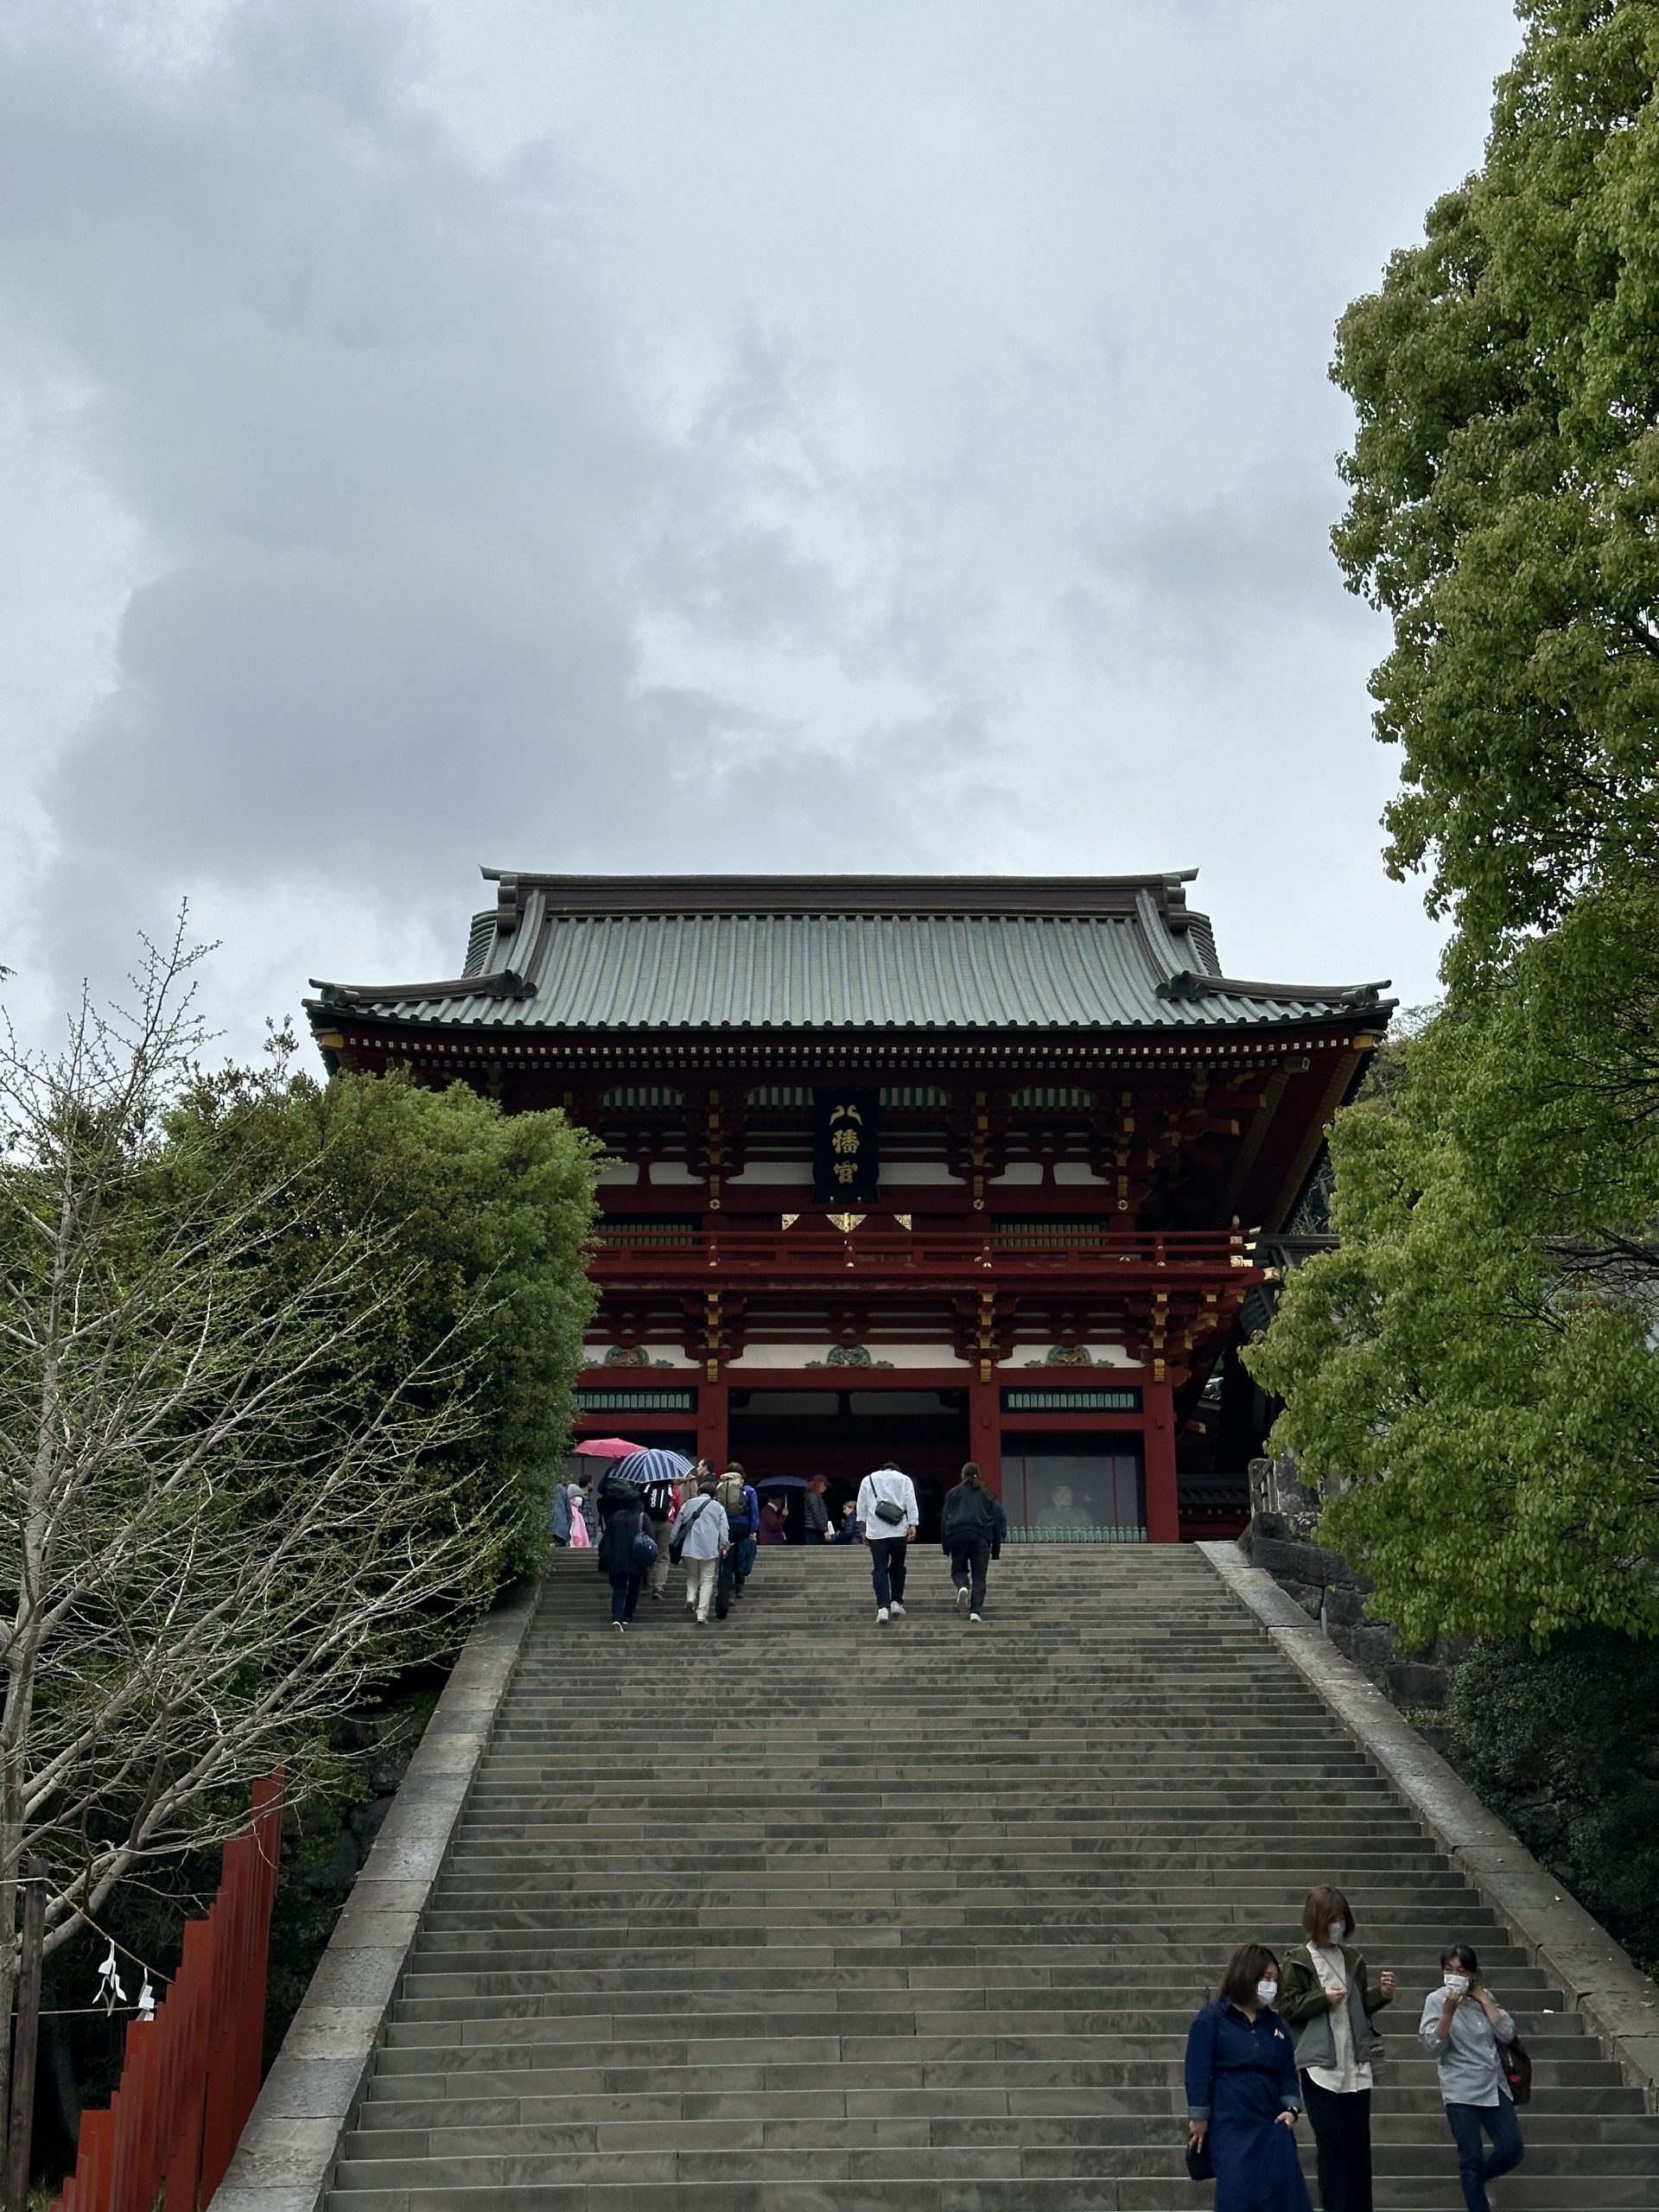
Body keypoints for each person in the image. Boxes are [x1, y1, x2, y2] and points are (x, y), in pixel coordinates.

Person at [1278, 1885, 1395, 2212]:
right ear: (1317, 1920)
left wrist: (1382, 1995)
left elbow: (1358, 2007)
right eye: (1332, 1919)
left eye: (1342, 1919)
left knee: (1359, 2145)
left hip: (1355, 2062)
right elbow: (1287, 2007)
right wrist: (1322, 1999)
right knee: (1332, 2145)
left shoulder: (1353, 1959)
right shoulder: (1298, 1961)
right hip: (1320, 2066)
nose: (1338, 1926)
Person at [1185, 1943, 1310, 2212]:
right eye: (1266, 1978)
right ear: (1246, 1974)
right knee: (1237, 2191)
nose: (1271, 1985)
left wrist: (1291, 2109)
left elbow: (1287, 2068)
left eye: (1275, 1980)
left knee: (1281, 2192)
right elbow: (1197, 2068)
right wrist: (1199, 2117)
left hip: (1270, 2118)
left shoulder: (1275, 2025)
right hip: (1230, 2117)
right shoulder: (1212, 2018)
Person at [1419, 1944, 1524, 2212]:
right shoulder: (1436, 1999)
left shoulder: (1483, 1997)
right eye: (1448, 1969)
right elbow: (1433, 2046)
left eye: (1461, 1971)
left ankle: (1483, 2176)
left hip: (1493, 2084)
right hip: (1460, 2089)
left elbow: (1508, 2033)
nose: (1454, 1976)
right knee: (1470, 2157)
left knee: (1512, 2148)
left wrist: (1485, 2000)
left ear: (1472, 1974)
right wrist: (1448, 2013)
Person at [939, 1461, 1006, 1621]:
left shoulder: (953, 1493)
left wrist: (945, 1545)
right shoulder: (987, 1494)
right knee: (979, 1576)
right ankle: (975, 1611)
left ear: (962, 1476)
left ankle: (962, 1586)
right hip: (981, 1537)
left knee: (958, 1570)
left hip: (958, 1535)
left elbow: (944, 1519)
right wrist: (996, 1549)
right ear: (979, 1475)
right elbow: (997, 1519)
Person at [855, 1459, 918, 1624]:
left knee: (879, 1569)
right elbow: (911, 1503)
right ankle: (896, 1601)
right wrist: (912, 1524)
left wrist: (862, 1530)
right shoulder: (904, 1479)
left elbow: (861, 1507)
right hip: (899, 1530)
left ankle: (883, 1607)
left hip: (876, 1532)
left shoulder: (867, 1480)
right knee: (898, 1566)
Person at [670, 1470, 729, 1624]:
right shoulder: (718, 1507)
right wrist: (724, 1546)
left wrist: (673, 1541)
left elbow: (677, 1525)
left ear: (699, 1491)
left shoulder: (688, 1504)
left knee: (692, 1575)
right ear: (713, 1493)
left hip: (689, 1546)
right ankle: (702, 1614)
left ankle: (690, 1597)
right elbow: (724, 1529)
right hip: (709, 1548)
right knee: (707, 1580)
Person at [597, 1494, 652, 1632]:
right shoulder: (642, 1518)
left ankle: (617, 1618)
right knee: (634, 1587)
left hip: (617, 1558)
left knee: (619, 1588)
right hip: (636, 1558)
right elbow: (650, 1537)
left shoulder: (615, 1517)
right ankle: (627, 1616)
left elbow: (606, 1539)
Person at [715, 1464, 760, 1616]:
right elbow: (754, 1511)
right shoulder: (748, 1490)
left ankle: (729, 1592)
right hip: (743, 1526)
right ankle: (740, 1585)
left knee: (727, 1561)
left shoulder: (720, 1487)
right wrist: (753, 1529)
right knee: (741, 1556)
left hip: (726, 1527)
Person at [638, 1462, 685, 1602]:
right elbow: (678, 1508)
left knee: (647, 1551)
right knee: (663, 1556)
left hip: (648, 1522)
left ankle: (644, 1580)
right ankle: (659, 1587)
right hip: (666, 1523)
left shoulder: (647, 1485)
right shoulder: (673, 1487)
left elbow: (641, 1504)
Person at [803, 1477, 832, 1543]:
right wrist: (824, 1528)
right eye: (824, 1485)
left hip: (815, 1528)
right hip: (814, 1529)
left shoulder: (815, 1496)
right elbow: (816, 1513)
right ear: (819, 1484)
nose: (825, 1488)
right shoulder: (813, 1496)